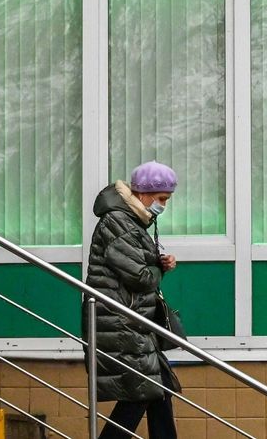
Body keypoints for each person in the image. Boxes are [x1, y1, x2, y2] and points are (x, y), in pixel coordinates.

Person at [84, 161, 181, 439]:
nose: (163, 205)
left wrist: (159, 262)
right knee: (141, 392)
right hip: (120, 322)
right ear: (143, 194)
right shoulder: (118, 221)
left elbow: (135, 267)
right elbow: (139, 277)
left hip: (130, 321)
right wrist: (157, 269)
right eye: (161, 199)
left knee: (158, 390)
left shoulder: (130, 221)